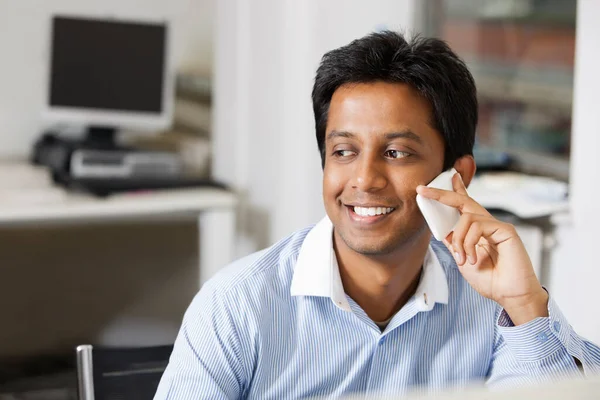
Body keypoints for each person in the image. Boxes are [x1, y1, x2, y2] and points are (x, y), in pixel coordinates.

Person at [154, 31, 600, 399]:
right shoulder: (237, 304)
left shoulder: (494, 306)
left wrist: (524, 305)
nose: (364, 179)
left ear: (456, 176)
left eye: (396, 152)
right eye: (343, 151)